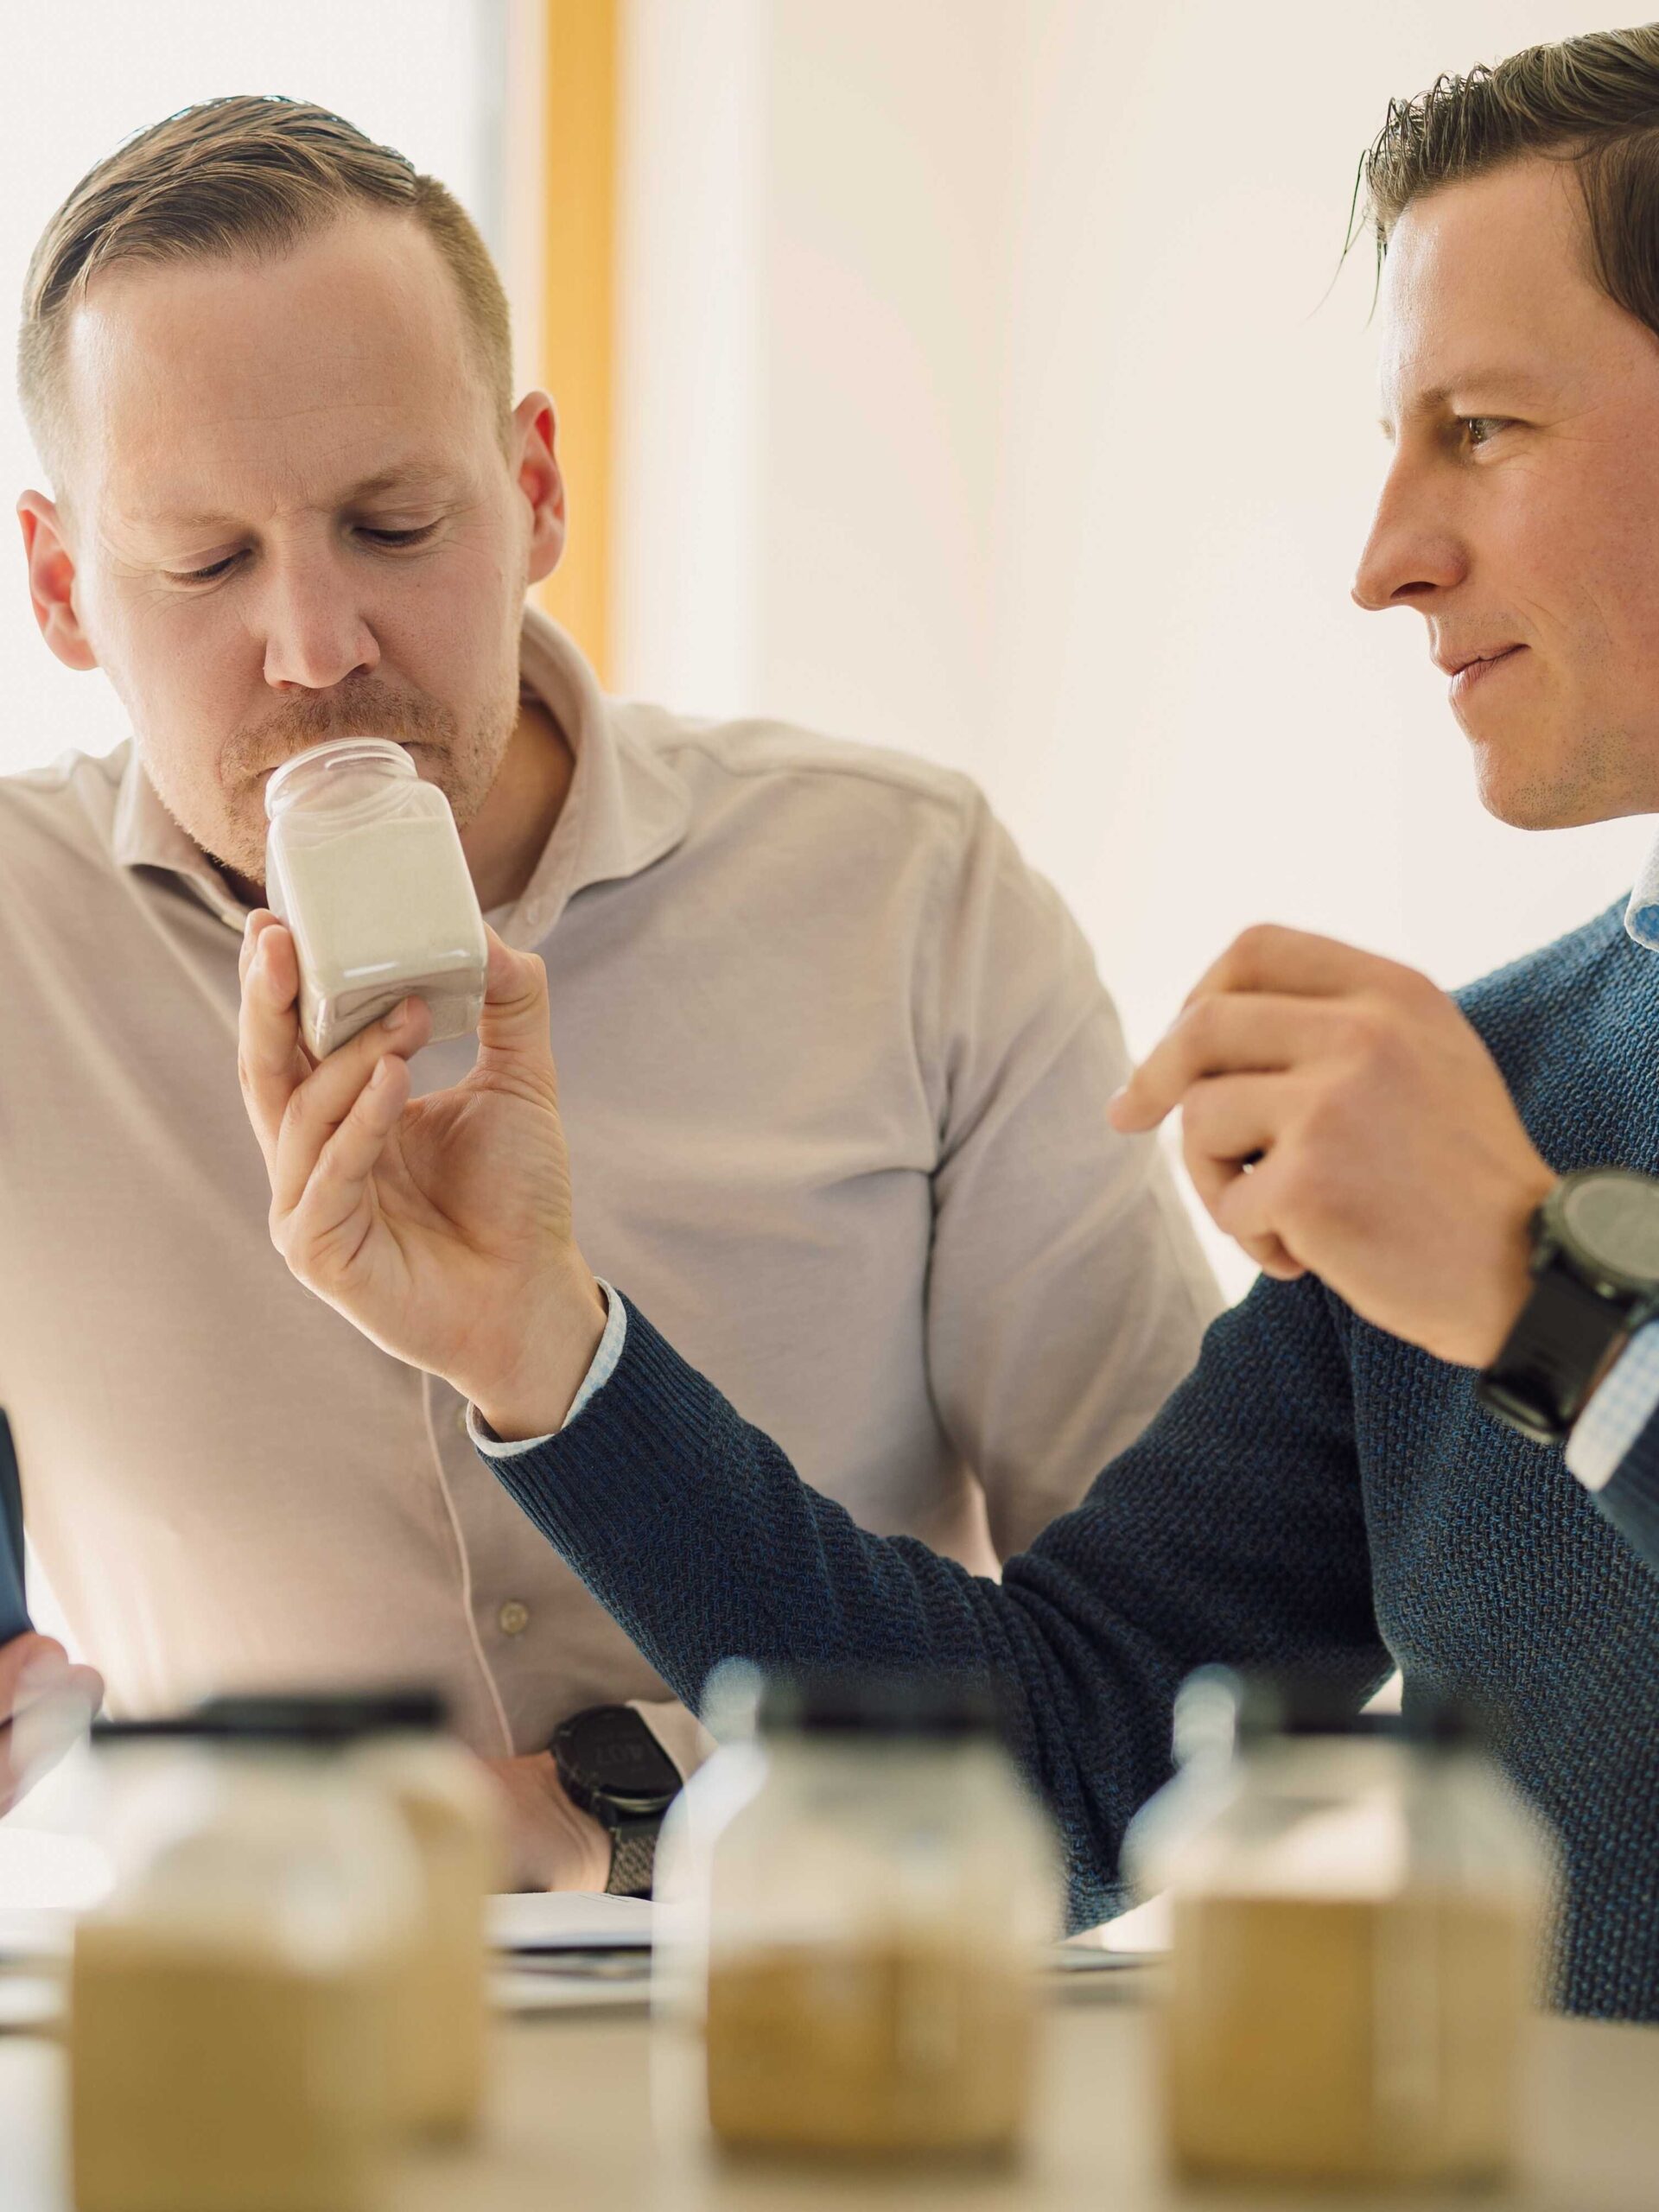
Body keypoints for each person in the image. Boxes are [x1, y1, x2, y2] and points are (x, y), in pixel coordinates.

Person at [239, 29, 1659, 2016]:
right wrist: (542, 1347)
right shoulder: (1476, 1095)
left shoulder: (1484, 1197)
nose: (1385, 554)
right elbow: (1053, 1765)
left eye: (1486, 427)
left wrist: (1562, 1320)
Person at [0, 99, 1219, 1870]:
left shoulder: (909, 898)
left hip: (843, 2061)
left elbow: (1174, 1675)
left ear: (538, 488)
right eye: (205, 562)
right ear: (60, 584)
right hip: (224, 2072)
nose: (316, 646)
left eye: (395, 524)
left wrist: (615, 1801)